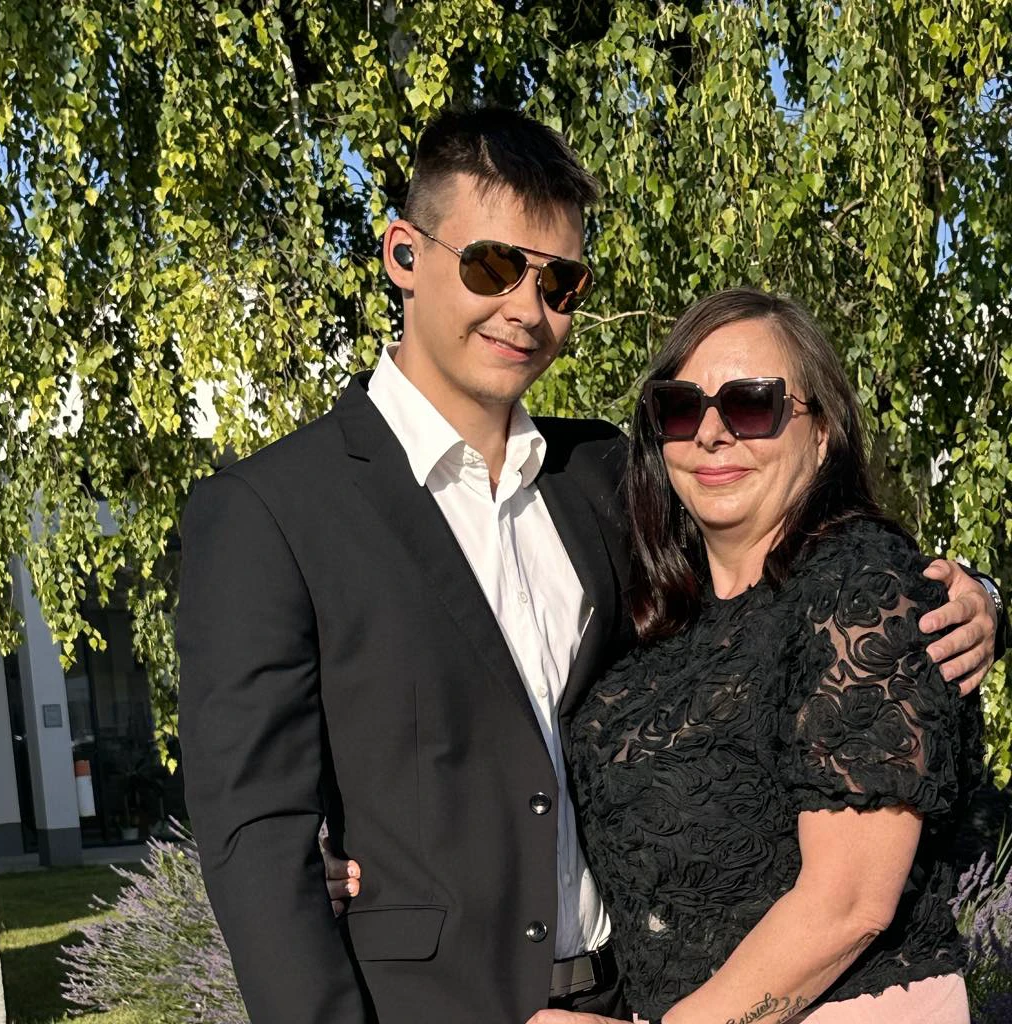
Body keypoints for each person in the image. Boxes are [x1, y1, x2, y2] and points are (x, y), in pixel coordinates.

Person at [175, 109, 1000, 1024]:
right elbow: (258, 836)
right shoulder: (268, 512)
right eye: (493, 265)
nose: (526, 310)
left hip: (632, 998)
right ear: (403, 254)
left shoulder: (608, 478)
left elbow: (791, 582)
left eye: (559, 282)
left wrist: (973, 598)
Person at [533, 288, 991, 1024]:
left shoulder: (861, 587)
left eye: (751, 404)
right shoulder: (658, 623)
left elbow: (849, 905)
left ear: (821, 433)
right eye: (682, 408)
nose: (712, 433)